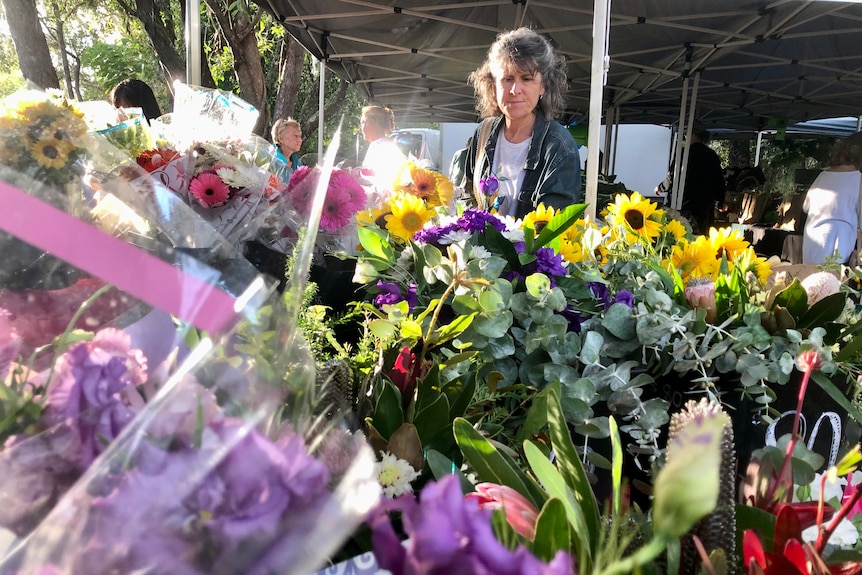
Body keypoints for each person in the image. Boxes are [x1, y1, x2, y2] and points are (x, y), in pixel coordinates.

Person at [463, 27, 581, 218]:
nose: (515, 90)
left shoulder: (559, 146)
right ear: (493, 86)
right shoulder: (483, 134)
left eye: (526, 79)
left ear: (543, 86)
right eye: (507, 79)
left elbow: (551, 228)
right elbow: (467, 196)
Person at [655, 121, 726, 234]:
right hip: (704, 208)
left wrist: (660, 188)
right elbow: (719, 182)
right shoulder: (711, 155)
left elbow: (671, 178)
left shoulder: (683, 154)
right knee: (701, 239)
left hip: (684, 206)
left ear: (691, 134)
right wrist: (721, 202)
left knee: (683, 236)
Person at [802, 132, 862, 264]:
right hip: (838, 243)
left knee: (809, 280)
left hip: (812, 239)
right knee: (831, 282)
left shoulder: (823, 176)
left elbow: (806, 207)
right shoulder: (858, 179)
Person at [360, 105, 407, 201]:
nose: (360, 129)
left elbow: (381, 184)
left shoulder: (379, 147)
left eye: (363, 122)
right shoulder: (386, 145)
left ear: (373, 124)